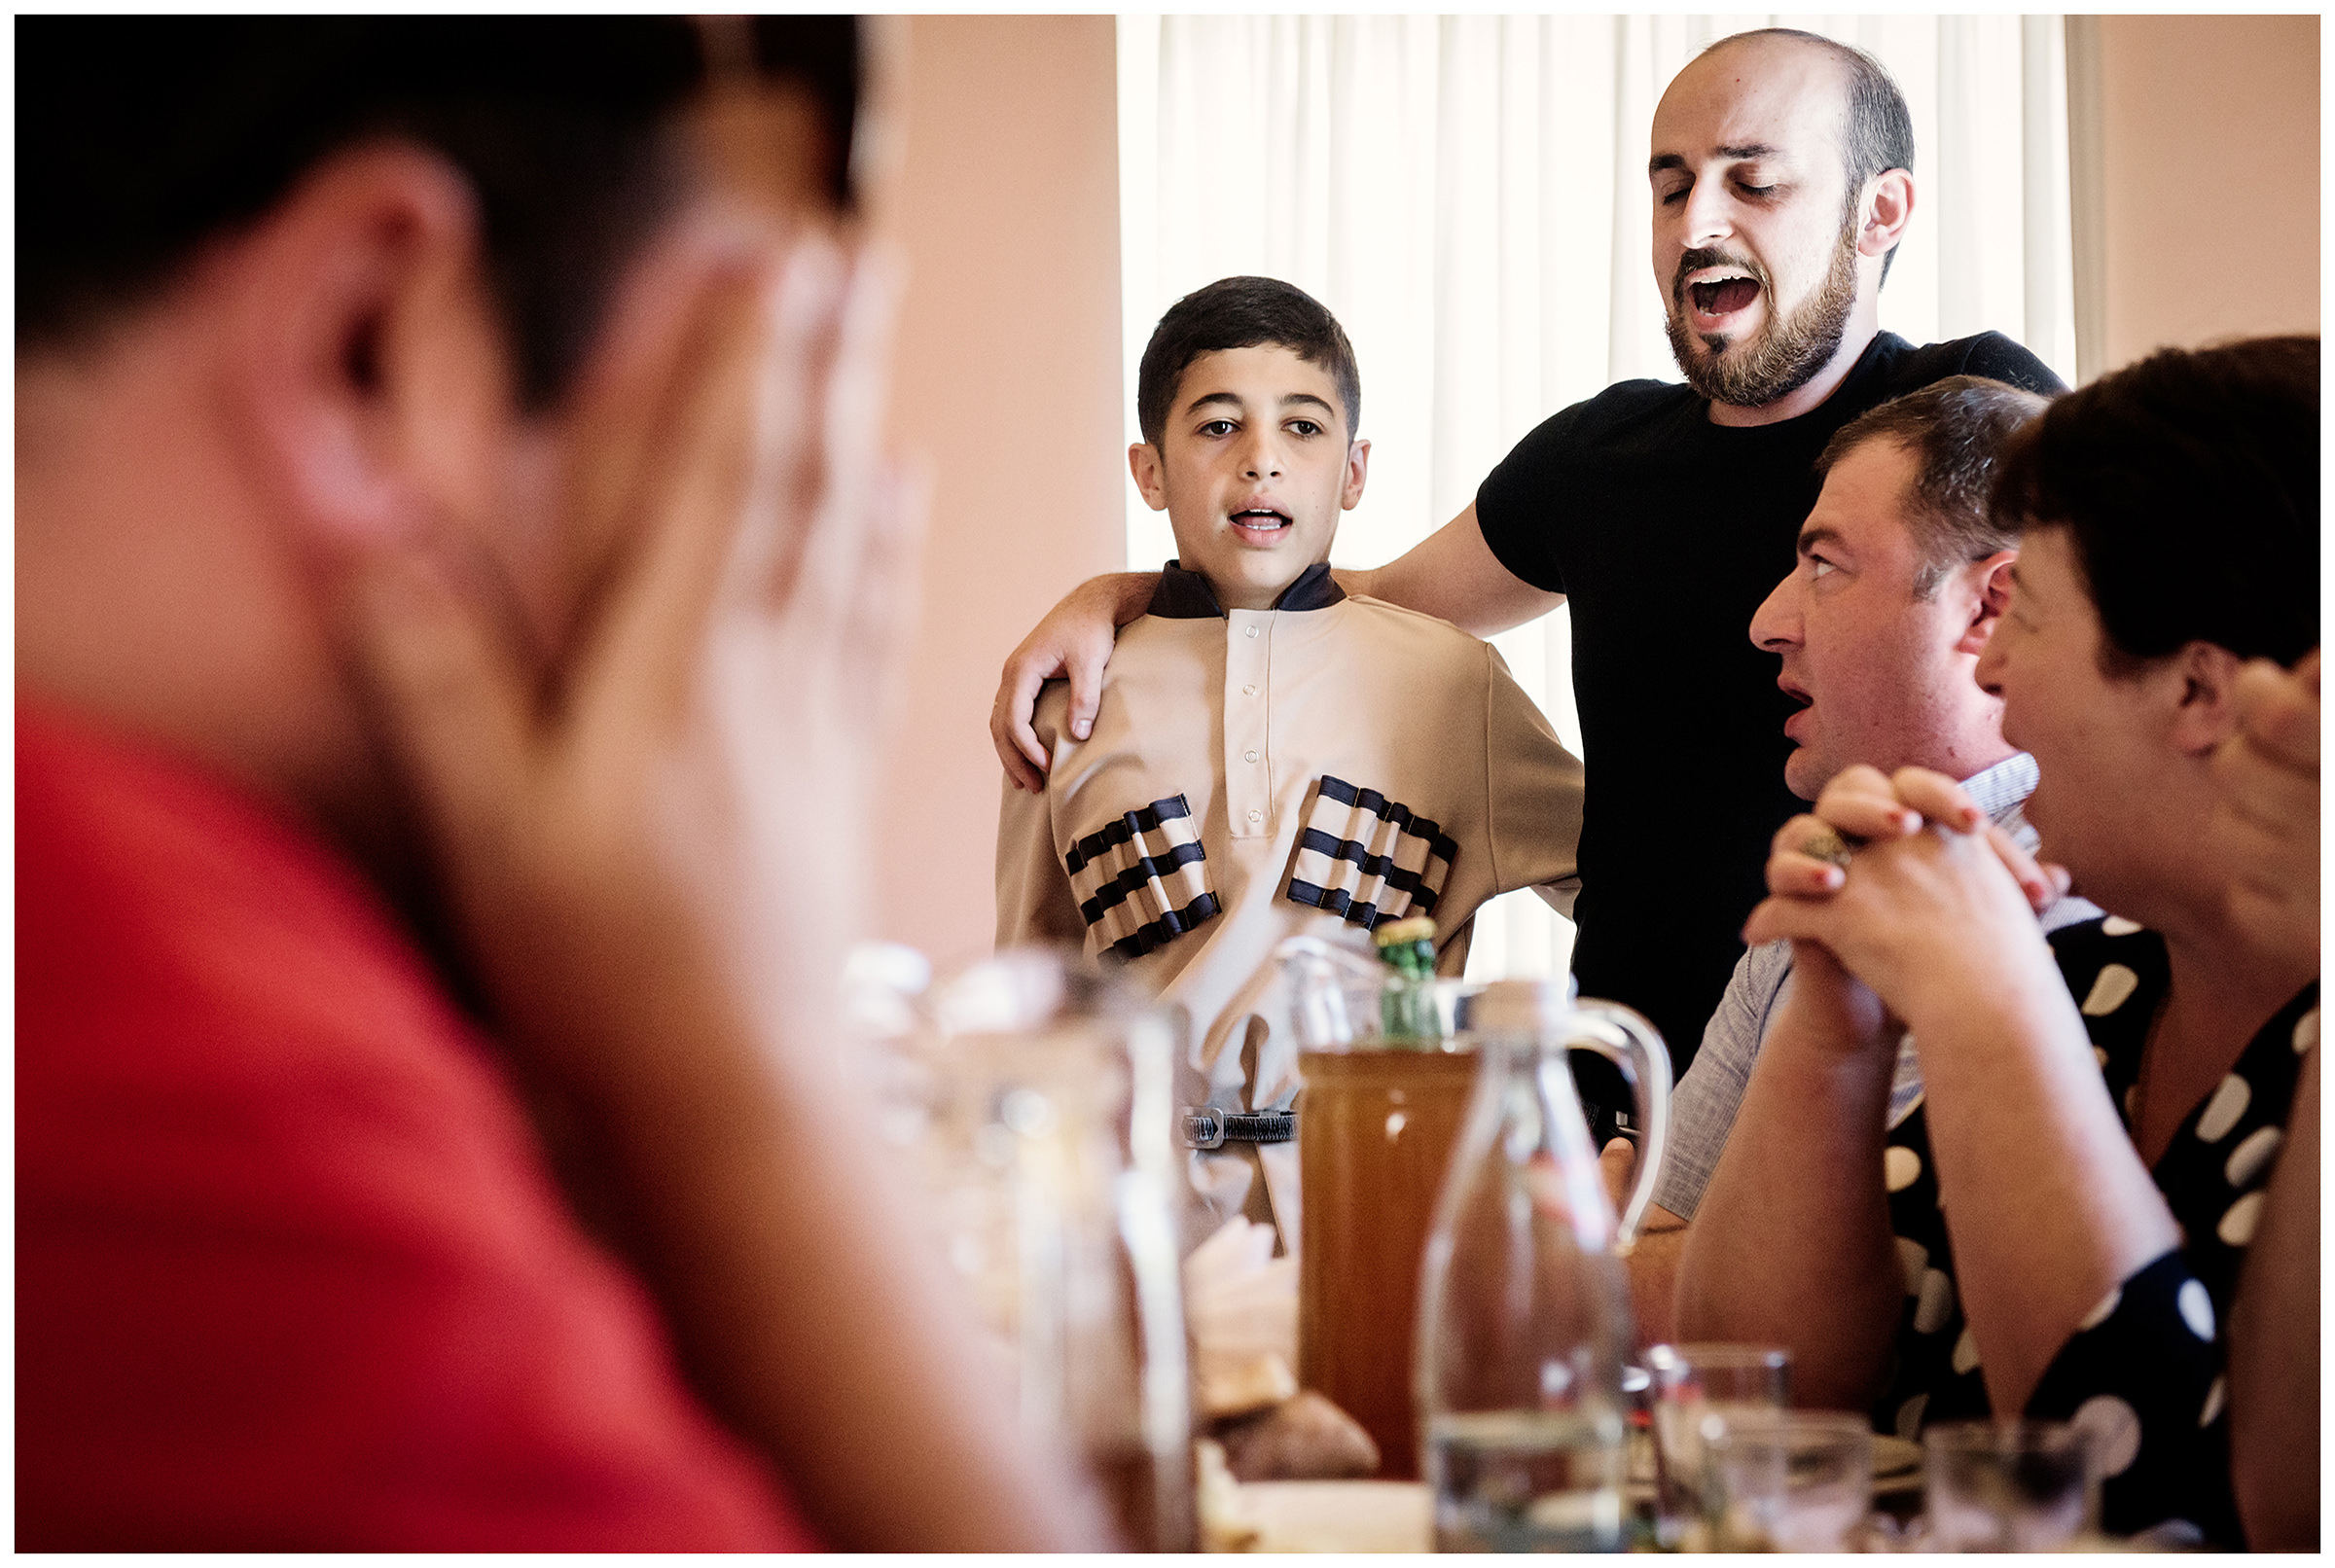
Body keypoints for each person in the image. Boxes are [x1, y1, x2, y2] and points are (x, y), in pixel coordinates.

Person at [18, 18, 1101, 1551]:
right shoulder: (170, 1035)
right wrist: (749, 1063)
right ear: (373, 344)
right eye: (747, 389)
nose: (806, 521)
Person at [988, 28, 2066, 1106]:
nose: (1699, 224)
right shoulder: (1594, 461)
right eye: (1671, 187)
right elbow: (1343, 600)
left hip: (1885, 1063)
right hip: (1623, 1100)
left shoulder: (1968, 414)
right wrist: (1128, 598)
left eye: (1756, 181)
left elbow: (2101, 661)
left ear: (1880, 212)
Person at [1676, 337, 2319, 1547]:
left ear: (2198, 689)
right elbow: (1757, 1393)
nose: (1998, 665)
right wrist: (1836, 1011)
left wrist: (1985, 1004)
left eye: (2033, 619)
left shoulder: (2055, 988)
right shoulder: (2108, 987)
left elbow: (2178, 1513)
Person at [995, 276, 1584, 1236]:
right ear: (1149, 472)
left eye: (1303, 429)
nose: (1261, 461)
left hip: (1391, 1208)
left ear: (1354, 472)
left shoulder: (1454, 683)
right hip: (1141, 1220)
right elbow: (1032, 994)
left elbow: (1634, 893)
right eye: (1218, 426)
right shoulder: (1072, 696)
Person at [1605, 375, 2100, 1343]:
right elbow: (1667, 1231)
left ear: (1989, 605)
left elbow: (1792, 1314)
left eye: (1825, 565)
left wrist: (1586, 1238)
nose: (1768, 620)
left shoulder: (2064, 892)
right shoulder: (1832, 881)